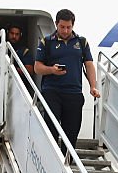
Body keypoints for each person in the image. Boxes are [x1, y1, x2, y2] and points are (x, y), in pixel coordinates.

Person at [34, 9, 100, 150]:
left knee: (71, 132)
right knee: (51, 127)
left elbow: (89, 65)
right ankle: (49, 156)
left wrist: (92, 86)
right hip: (52, 91)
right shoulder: (47, 42)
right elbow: (37, 68)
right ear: (56, 24)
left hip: (74, 92)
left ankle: (67, 161)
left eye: (68, 27)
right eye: (62, 27)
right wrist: (51, 70)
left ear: (73, 25)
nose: (65, 31)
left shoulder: (81, 42)